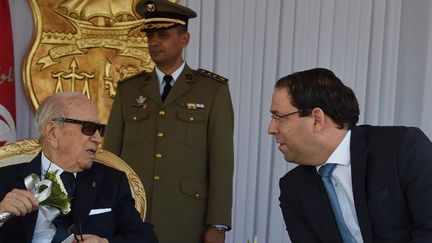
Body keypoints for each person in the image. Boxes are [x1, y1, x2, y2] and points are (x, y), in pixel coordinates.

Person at [103, 0, 234, 242]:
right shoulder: (128, 90)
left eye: (163, 34)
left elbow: (221, 162)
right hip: (131, 213)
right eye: (150, 34)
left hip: (186, 217)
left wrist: (218, 223)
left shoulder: (212, 90)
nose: (154, 41)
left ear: (184, 39)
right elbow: (111, 157)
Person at [267, 68, 432, 243]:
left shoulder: (403, 148)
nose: (271, 129)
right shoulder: (293, 188)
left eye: (279, 117)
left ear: (317, 119)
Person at [0, 92, 159, 243]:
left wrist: (104, 242)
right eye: (88, 128)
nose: (98, 139)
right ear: (53, 132)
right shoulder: (5, 178)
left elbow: (145, 237)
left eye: (100, 130)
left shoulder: (112, 181)